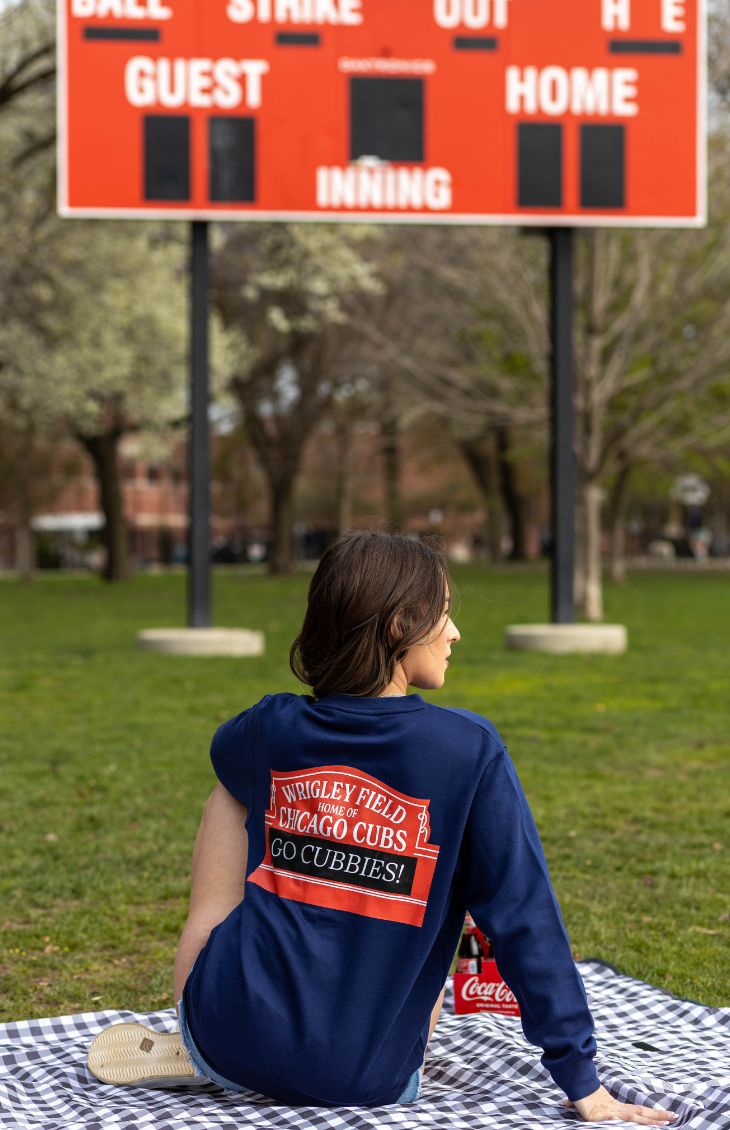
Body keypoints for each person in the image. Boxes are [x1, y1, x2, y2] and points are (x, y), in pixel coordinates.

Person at [88, 530, 674, 1123]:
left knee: (231, 795)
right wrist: (583, 1082)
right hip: (369, 1080)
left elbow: (224, 754)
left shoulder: (270, 726)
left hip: (225, 1035)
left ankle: (204, 1019)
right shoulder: (467, 751)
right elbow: (525, 920)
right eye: (444, 615)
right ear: (399, 625)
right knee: (457, 872)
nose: (455, 633)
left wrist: (313, 825)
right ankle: (313, 1034)